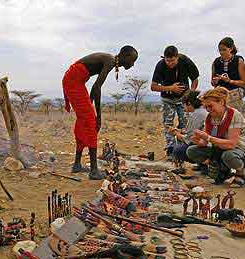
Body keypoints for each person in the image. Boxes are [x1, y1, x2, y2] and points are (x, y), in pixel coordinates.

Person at [62, 46, 138, 180]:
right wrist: (98, 117)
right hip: (74, 82)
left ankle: (77, 164)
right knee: (91, 124)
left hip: (75, 81)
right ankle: (93, 170)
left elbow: (95, 88)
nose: (132, 65)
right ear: (124, 56)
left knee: (83, 121)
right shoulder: (109, 61)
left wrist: (90, 108)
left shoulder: (109, 60)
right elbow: (97, 88)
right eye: (132, 61)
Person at [186, 87, 245, 187]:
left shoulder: (234, 115)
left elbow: (232, 144)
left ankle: (241, 172)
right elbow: (204, 143)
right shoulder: (210, 118)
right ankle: (221, 168)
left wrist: (208, 138)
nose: (208, 110)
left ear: (222, 102)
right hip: (221, 148)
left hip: (239, 149)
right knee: (191, 150)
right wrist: (197, 140)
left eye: (210, 106)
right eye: (206, 107)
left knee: (229, 155)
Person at [151, 45, 199, 159]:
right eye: (167, 60)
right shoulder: (160, 65)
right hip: (167, 99)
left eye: (172, 60)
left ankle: (184, 152)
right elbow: (153, 87)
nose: (170, 63)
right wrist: (170, 88)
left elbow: (195, 79)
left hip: (183, 100)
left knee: (185, 124)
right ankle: (171, 151)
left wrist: (190, 94)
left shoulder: (185, 61)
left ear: (177, 57)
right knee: (168, 125)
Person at [169, 90, 208, 174]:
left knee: (177, 150)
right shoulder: (201, 111)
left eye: (184, 104)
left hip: (205, 145)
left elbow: (189, 139)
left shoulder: (196, 114)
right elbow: (191, 132)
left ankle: (204, 164)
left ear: (189, 103)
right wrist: (180, 131)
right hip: (207, 142)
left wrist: (176, 134)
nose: (184, 107)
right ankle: (202, 164)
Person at [211, 37, 245, 111]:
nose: (221, 52)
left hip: (235, 94)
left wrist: (229, 81)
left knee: (233, 118)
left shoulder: (238, 61)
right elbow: (212, 83)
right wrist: (215, 81)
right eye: (220, 50)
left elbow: (244, 83)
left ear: (231, 49)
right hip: (221, 95)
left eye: (224, 50)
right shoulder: (216, 62)